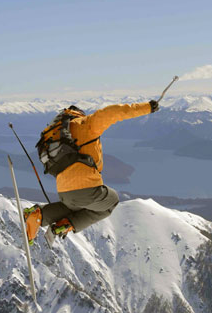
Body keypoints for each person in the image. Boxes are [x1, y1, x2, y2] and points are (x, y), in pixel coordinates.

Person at [24, 99, 159, 244]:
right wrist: (147, 107)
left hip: (64, 191)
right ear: (78, 115)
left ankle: (40, 215)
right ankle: (66, 224)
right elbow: (113, 113)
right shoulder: (86, 124)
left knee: (73, 207)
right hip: (86, 187)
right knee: (111, 201)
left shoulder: (54, 137)